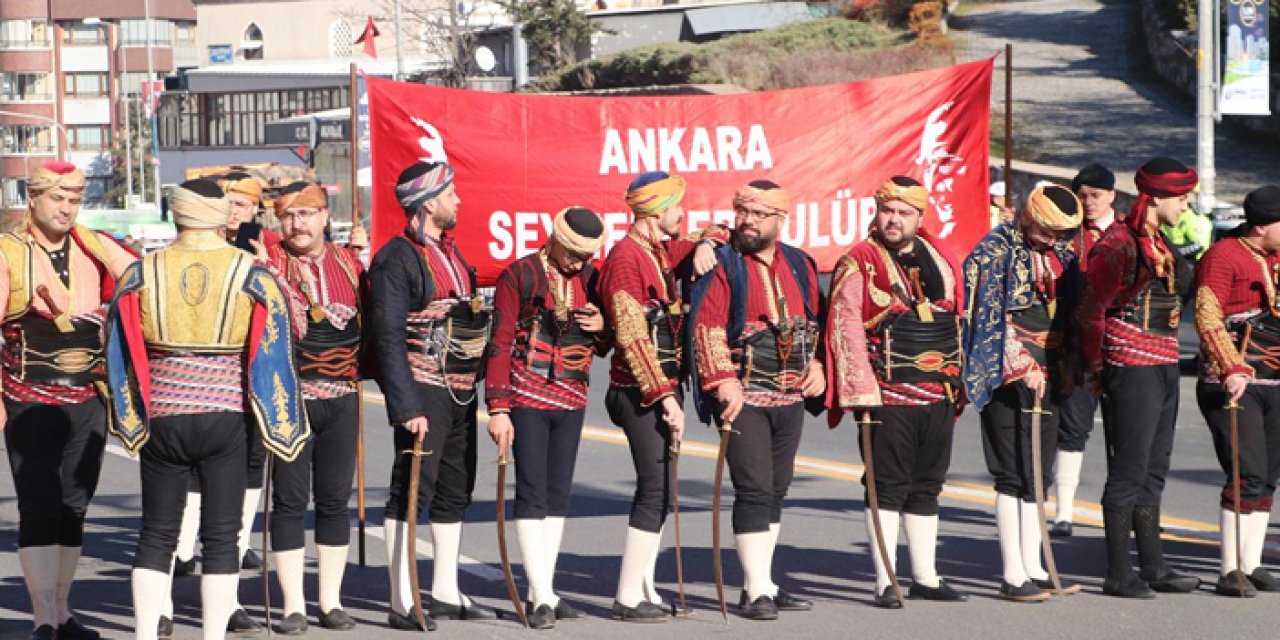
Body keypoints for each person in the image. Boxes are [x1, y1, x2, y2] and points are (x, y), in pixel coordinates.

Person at [105, 178, 307, 640]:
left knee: (156, 533)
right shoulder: (251, 271)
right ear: (219, 215)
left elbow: (114, 343)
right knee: (222, 536)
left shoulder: (141, 270)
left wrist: (129, 413)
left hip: (164, 417)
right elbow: (286, 337)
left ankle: (143, 633)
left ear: (177, 213)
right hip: (225, 417)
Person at [1, 161, 137, 640]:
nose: (66, 208)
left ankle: (62, 613)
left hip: (87, 396)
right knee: (39, 504)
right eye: (57, 198)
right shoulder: (8, 252)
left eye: (74, 199)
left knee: (74, 505)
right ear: (33, 198)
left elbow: (141, 278)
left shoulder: (94, 244)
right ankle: (42, 619)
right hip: (29, 399)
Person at [825, 176, 968, 607]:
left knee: (927, 485)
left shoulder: (941, 257)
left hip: (938, 392)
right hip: (888, 393)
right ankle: (886, 578)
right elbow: (845, 324)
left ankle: (926, 575)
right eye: (888, 210)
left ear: (919, 218)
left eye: (904, 213)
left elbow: (958, 316)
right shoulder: (860, 261)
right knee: (887, 485)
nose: (894, 219)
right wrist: (862, 390)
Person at [367, 161, 496, 630]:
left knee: (454, 488)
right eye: (451, 193)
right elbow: (387, 337)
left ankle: (444, 589)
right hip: (422, 389)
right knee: (410, 491)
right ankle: (402, 598)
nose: (458, 201)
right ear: (428, 204)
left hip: (461, 390)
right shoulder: (395, 259)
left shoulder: (452, 254)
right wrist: (406, 407)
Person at [688, 179, 825, 621]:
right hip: (743, 393)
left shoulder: (801, 264)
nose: (746, 221)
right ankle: (752, 591)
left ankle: (766, 580)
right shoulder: (724, 264)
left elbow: (814, 322)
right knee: (753, 488)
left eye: (758, 214)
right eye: (741, 212)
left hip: (789, 396)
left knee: (777, 489)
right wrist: (722, 381)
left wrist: (818, 366)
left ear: (780, 219)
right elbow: (706, 326)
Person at [595, 171, 723, 622]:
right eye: (675, 208)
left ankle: (645, 588)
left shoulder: (661, 248)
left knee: (663, 489)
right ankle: (627, 596)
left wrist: (707, 243)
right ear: (653, 212)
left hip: (663, 387)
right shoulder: (627, 259)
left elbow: (714, 234)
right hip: (639, 392)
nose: (682, 215)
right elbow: (632, 337)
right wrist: (665, 399)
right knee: (653, 489)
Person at [1077, 157, 1201, 597]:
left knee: (1155, 468)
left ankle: (1152, 564)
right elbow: (1091, 313)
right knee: (1128, 471)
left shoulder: (1158, 241)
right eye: (1182, 198)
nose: (1186, 206)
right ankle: (1117, 571)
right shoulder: (1118, 245)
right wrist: (1098, 368)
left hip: (1164, 364)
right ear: (1160, 198)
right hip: (1130, 366)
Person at [485, 207, 609, 629]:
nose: (577, 262)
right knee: (533, 494)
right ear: (554, 238)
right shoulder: (518, 275)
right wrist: (498, 408)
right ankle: (538, 596)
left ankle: (548, 591)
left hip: (572, 399)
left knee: (558, 496)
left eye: (585, 255)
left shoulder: (592, 280)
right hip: (525, 397)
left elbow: (609, 339)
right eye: (572, 252)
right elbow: (499, 341)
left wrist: (602, 323)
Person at [962, 184, 1084, 602]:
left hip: (1050, 369)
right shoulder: (994, 250)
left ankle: (1035, 563)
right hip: (1007, 371)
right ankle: (1012, 572)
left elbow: (1071, 315)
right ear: (1030, 216)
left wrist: (1070, 365)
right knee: (1012, 472)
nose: (1053, 240)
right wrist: (1019, 364)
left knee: (1039, 473)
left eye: (1060, 234)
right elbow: (985, 314)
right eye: (1048, 231)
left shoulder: (1064, 255)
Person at [259, 181, 366, 633]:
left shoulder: (350, 262)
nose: (296, 223)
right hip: (291, 397)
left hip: (342, 396)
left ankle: (330, 601)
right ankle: (293, 607)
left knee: (334, 501)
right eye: (287, 215)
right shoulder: (268, 262)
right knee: (288, 502)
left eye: (306, 214)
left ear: (325, 216)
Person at [1193, 185, 1280, 597]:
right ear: (1262, 227)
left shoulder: (1275, 256)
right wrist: (1231, 367)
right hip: (1233, 381)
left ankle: (1253, 561)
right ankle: (1230, 569)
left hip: (1275, 380)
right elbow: (1207, 315)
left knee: (1268, 477)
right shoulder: (1222, 257)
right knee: (1247, 473)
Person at [1051, 163, 1119, 537]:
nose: (1089, 203)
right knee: (1072, 430)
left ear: (1111, 195)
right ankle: (1064, 511)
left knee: (1124, 431)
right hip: (1077, 348)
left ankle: (1124, 509)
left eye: (1095, 195)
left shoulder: (1128, 236)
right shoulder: (1066, 238)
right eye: (1082, 196)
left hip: (1120, 346)